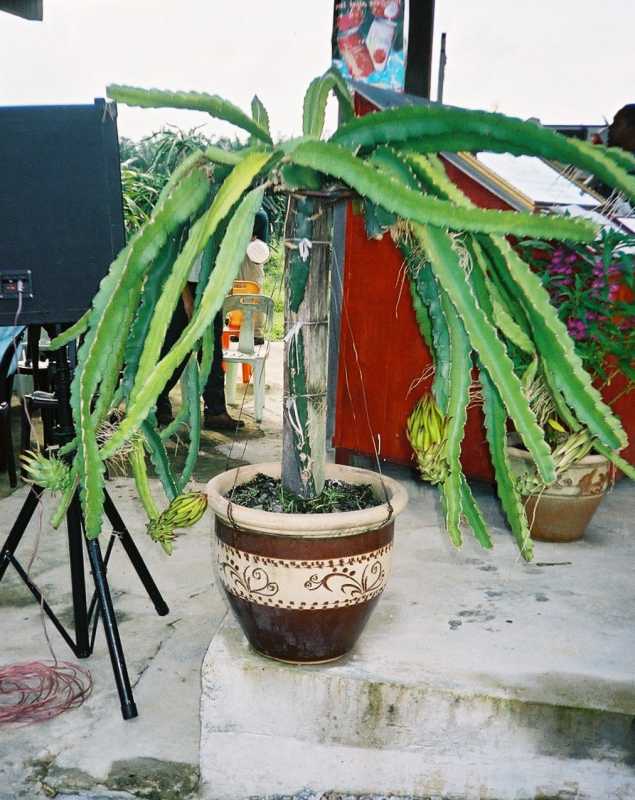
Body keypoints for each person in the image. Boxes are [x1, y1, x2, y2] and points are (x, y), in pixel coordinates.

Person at [156, 208, 270, 430]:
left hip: (210, 290)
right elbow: (177, 265)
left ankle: (215, 411)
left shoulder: (236, 226)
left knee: (213, 352)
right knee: (177, 351)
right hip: (186, 290)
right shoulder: (196, 220)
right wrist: (188, 300)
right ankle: (156, 402)